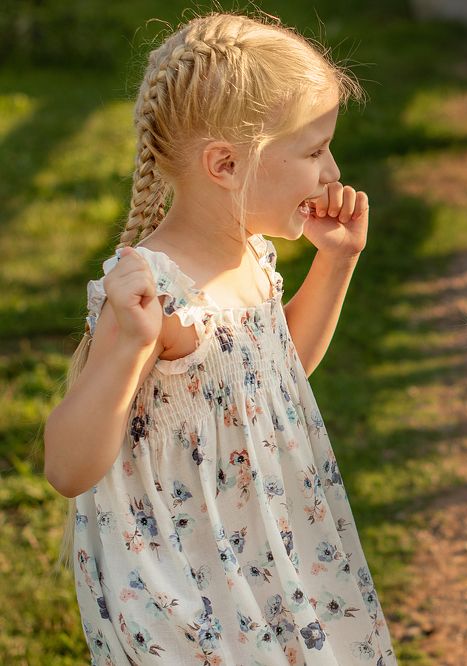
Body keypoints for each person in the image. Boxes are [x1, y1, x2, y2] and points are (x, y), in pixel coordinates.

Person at [42, 12, 396, 665]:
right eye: (314, 151)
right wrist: (128, 346)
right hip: (189, 584)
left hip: (263, 551)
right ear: (226, 164)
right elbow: (67, 467)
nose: (332, 171)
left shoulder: (253, 258)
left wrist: (337, 261)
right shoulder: (154, 297)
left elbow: (280, 373)